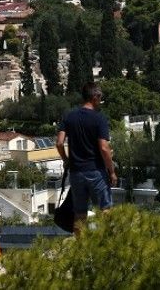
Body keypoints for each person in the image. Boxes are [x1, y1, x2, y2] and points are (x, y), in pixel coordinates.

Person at [56, 81, 117, 235]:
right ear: (95, 97)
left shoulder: (69, 116)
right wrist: (111, 171)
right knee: (105, 209)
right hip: (96, 170)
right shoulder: (99, 118)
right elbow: (104, 147)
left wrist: (66, 160)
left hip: (76, 173)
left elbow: (59, 143)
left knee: (80, 213)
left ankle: (80, 247)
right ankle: (107, 243)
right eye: (100, 97)